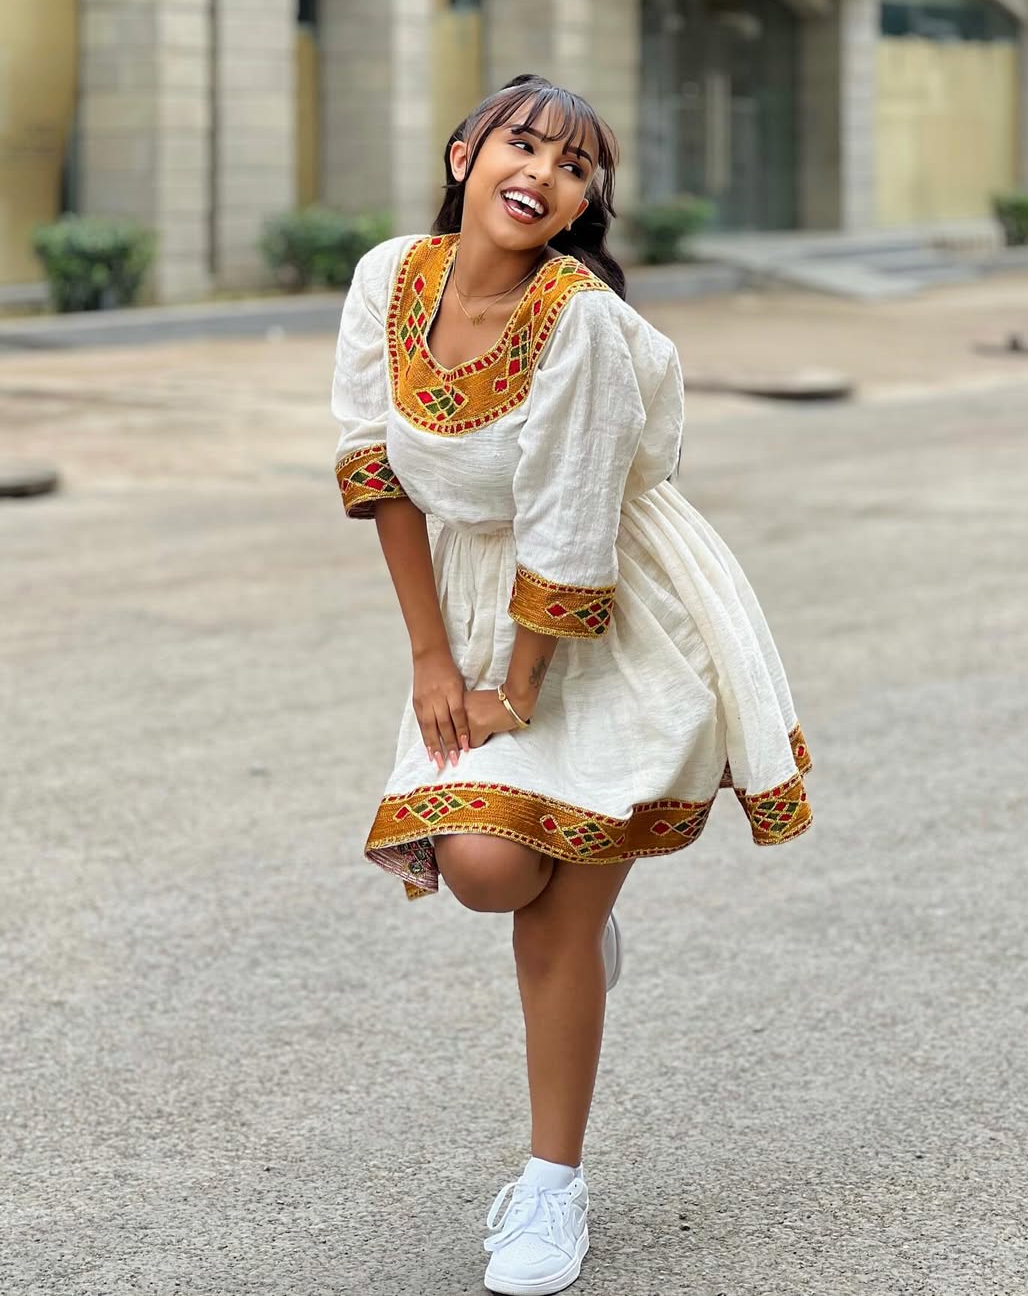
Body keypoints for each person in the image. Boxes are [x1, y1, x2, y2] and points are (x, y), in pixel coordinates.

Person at [331, 75, 813, 1296]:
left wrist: (519, 688)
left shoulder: (580, 318)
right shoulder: (391, 276)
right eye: (524, 142)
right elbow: (375, 468)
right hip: (478, 606)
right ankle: (589, 931)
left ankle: (552, 1188)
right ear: (463, 153)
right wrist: (435, 658)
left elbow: (574, 515)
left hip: (621, 612)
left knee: (548, 910)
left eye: (580, 165)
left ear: (585, 202)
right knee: (491, 870)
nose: (548, 169)